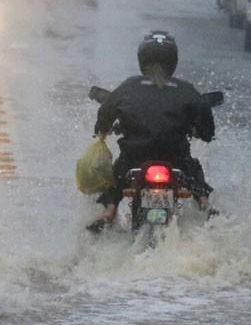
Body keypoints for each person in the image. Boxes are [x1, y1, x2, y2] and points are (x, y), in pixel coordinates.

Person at [87, 31, 217, 233]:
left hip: (135, 156)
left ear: (142, 60)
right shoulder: (185, 89)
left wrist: (102, 130)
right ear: (173, 61)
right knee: (193, 171)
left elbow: (106, 110)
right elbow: (206, 121)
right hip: (175, 157)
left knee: (116, 176)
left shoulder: (129, 86)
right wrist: (204, 132)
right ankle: (205, 205)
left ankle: (109, 211)